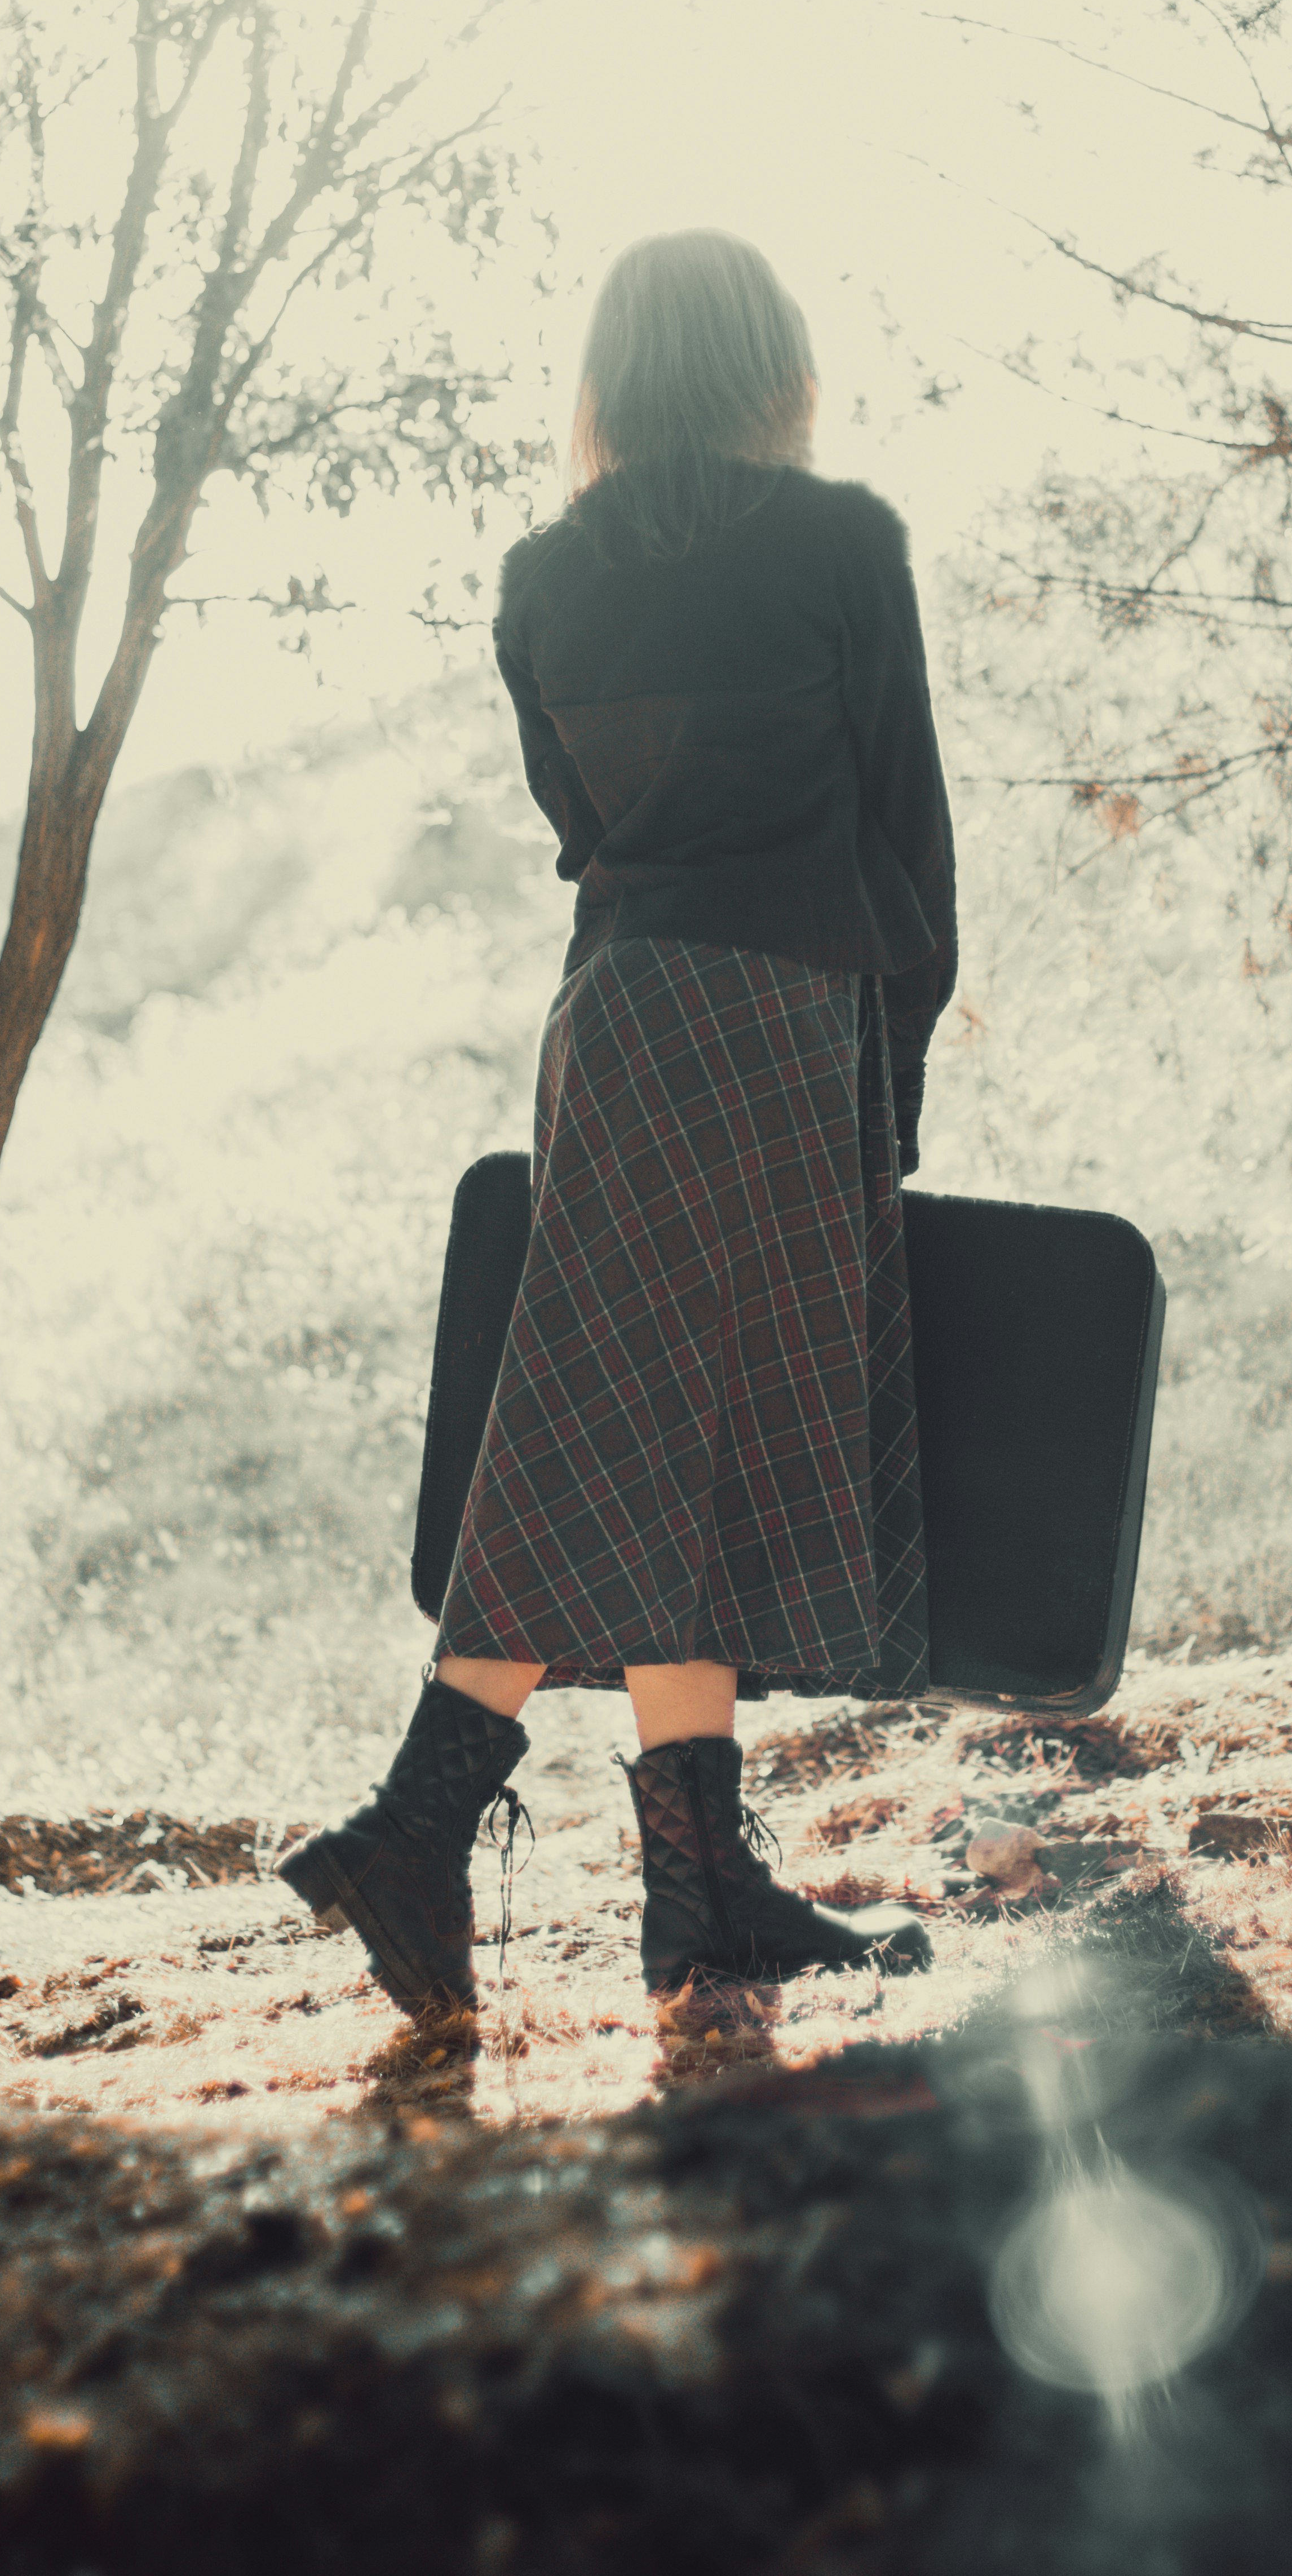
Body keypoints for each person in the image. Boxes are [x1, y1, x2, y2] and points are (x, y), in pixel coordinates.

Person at [281, 230, 957, 2021]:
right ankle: (421, 1828)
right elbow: (910, 837)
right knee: (641, 1429)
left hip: (617, 1018)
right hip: (780, 1022)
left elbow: (582, 833)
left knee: (659, 1432)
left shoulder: (542, 581)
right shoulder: (840, 545)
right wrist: (898, 1077)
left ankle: (699, 1887)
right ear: (770, 363)